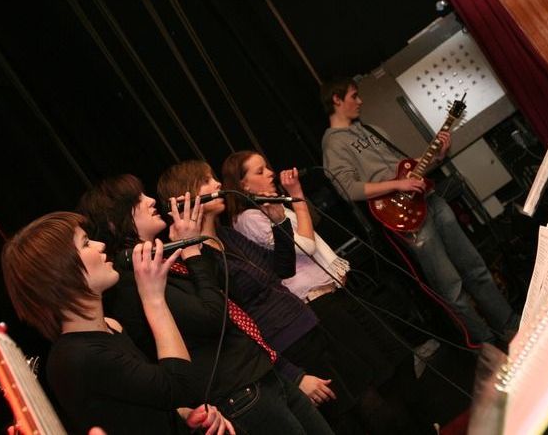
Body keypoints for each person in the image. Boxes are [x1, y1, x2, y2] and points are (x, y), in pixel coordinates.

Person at [158, 161, 432, 434]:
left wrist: (279, 222)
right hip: (289, 344)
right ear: (188, 195)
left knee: (372, 396)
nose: (217, 184)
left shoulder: (226, 235)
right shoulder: (198, 260)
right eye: (207, 180)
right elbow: (238, 324)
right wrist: (292, 374)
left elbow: (282, 269)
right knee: (357, 414)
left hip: (308, 324)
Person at [77, 176, 333, 435]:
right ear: (113, 220)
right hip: (239, 392)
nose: (151, 201)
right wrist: (193, 253)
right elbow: (213, 317)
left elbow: (227, 292)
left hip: (262, 372)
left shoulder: (165, 254)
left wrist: (193, 243)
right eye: (137, 200)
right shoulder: (132, 280)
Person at [320, 76, 520, 344]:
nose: (360, 101)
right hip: (403, 215)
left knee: (475, 267)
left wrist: (437, 154)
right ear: (336, 99)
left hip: (429, 200)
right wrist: (398, 184)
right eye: (354, 95)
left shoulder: (370, 129)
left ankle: (511, 326)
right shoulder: (333, 143)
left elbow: (406, 167)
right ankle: (486, 345)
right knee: (451, 286)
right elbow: (348, 189)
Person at [1, 211, 234, 434]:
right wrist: (154, 299)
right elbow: (181, 385)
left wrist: (185, 416)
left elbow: (148, 403)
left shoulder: (111, 326)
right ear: (60, 274)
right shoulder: (75, 357)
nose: (99, 245)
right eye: (85, 243)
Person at [221, 150, 409, 369]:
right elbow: (306, 246)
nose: (271, 174)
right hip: (316, 299)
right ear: (243, 185)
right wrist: (297, 196)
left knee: (394, 350)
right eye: (260, 171)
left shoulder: (272, 206)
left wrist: (294, 197)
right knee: (378, 362)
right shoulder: (249, 218)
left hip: (332, 291)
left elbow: (313, 222)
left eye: (267, 167)